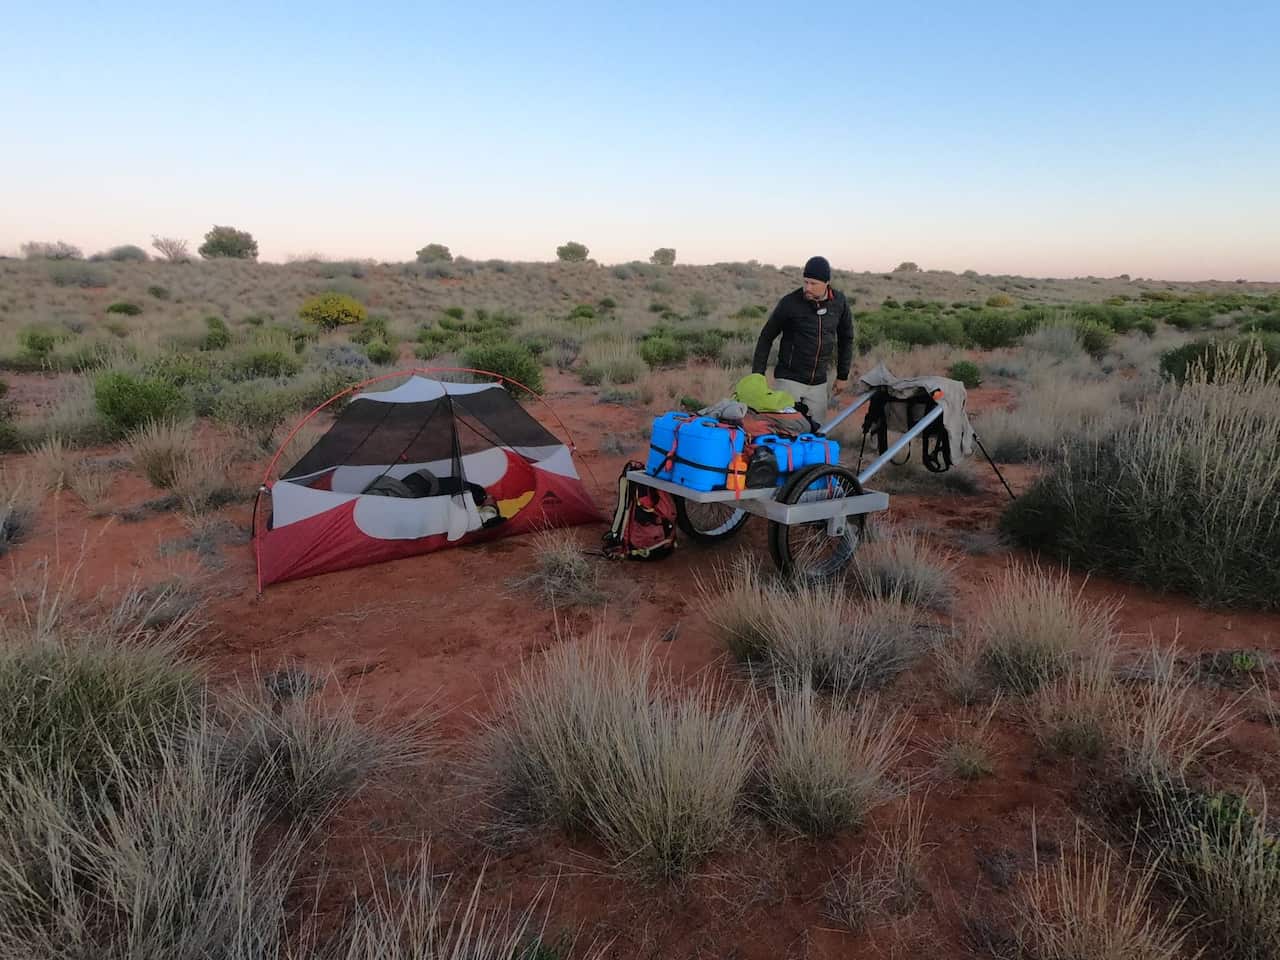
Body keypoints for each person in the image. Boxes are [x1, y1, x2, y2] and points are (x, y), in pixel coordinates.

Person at [750, 255, 854, 420]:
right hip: (789, 381)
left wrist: (842, 376)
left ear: (827, 283)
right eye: (805, 282)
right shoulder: (790, 303)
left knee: (815, 434)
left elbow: (846, 338)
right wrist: (758, 375)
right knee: (784, 432)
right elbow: (766, 337)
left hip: (819, 384)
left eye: (813, 284)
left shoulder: (839, 302)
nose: (808, 288)